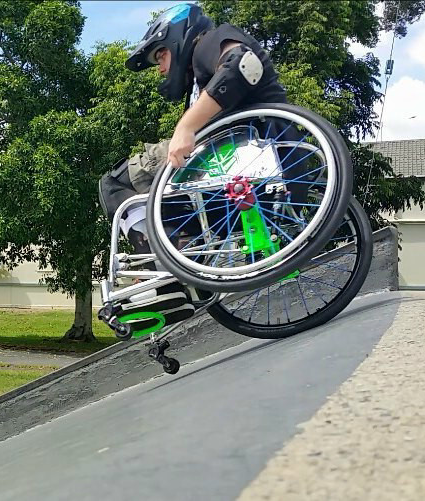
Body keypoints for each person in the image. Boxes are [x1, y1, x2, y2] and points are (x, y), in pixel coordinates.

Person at [98, 3, 295, 330]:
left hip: (241, 153)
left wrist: (186, 126)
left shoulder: (209, 43)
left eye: (160, 56)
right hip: (242, 162)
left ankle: (165, 274)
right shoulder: (202, 71)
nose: (160, 69)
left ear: (176, 39)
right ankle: (183, 265)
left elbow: (241, 65)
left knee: (114, 183)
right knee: (161, 198)